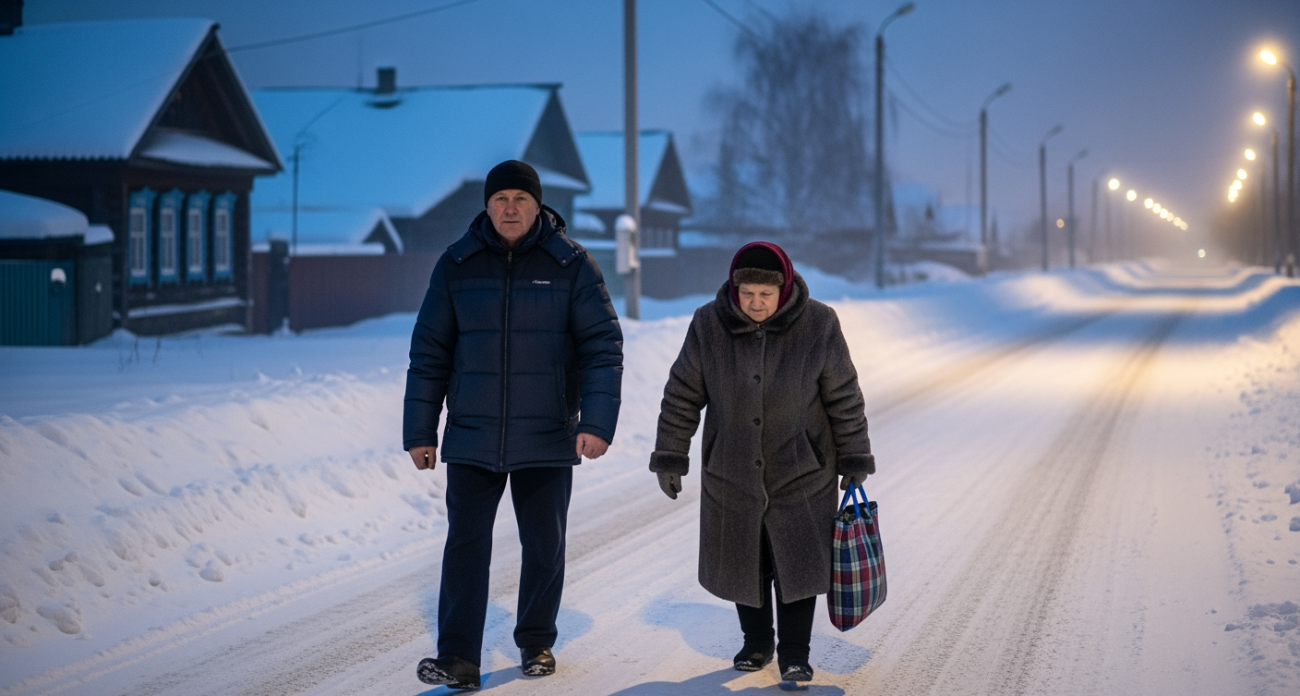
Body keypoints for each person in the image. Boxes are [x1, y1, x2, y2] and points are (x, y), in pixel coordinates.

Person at [404, 160, 623, 690]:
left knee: (544, 543)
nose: (509, 207)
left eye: (520, 199)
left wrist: (596, 422)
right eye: (500, 198)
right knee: (466, 545)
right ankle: (458, 657)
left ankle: (536, 640)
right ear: (486, 205)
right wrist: (420, 430)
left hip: (547, 431)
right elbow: (430, 352)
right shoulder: (457, 264)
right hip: (474, 433)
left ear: (537, 205)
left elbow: (602, 348)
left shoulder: (571, 265)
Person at [649, 241, 874, 683]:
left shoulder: (819, 324)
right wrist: (671, 454)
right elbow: (682, 394)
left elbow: (844, 395)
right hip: (731, 468)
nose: (755, 303)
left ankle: (794, 652)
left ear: (783, 289)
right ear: (735, 290)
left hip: (803, 469)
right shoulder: (708, 325)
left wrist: (855, 454)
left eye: (765, 295)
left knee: (797, 564)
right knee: (744, 558)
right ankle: (756, 643)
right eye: (747, 293)